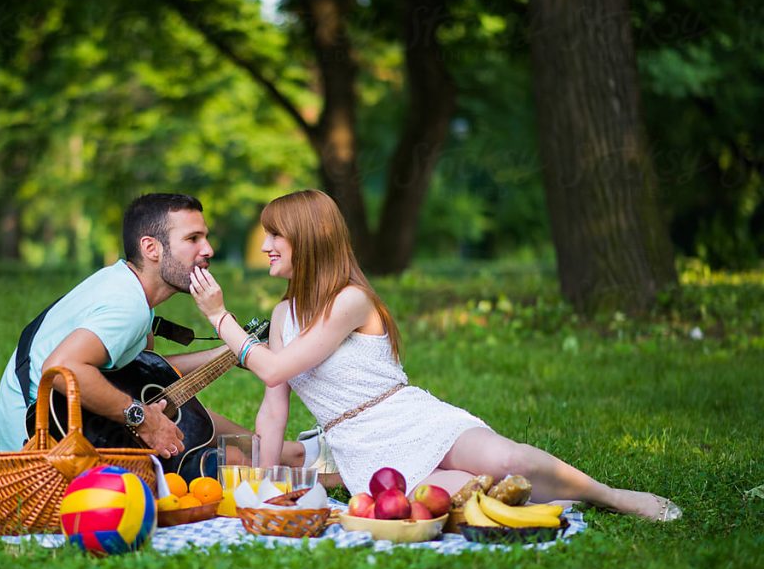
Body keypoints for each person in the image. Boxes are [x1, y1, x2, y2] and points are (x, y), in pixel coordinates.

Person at [188, 189, 682, 520]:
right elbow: (274, 406)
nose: (267, 246)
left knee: (508, 460)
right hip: (364, 449)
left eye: (276, 235)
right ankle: (546, 502)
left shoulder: (350, 300)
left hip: (412, 419)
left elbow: (272, 366)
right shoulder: (282, 317)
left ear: (309, 239)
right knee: (467, 496)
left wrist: (218, 317)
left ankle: (611, 496)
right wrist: (270, 489)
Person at [0, 193, 308, 478]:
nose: (208, 250)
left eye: (206, 238)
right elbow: (60, 369)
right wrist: (142, 418)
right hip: (43, 451)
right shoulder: (127, 306)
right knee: (231, 462)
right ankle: (300, 464)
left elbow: (142, 371)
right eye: (193, 239)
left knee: (173, 407)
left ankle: (285, 454)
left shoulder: (125, 286)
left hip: (60, 425)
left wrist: (229, 354)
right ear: (151, 248)